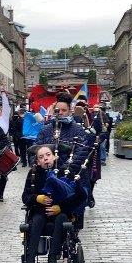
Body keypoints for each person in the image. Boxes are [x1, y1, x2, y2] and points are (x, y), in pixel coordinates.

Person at [21, 145, 86, 263]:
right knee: (37, 220)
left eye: (48, 155)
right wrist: (36, 198)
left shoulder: (65, 172)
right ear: (38, 161)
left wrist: (61, 207)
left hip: (61, 213)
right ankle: (30, 261)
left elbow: (78, 197)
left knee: (61, 219)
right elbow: (25, 197)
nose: (45, 158)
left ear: (54, 156)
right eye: (41, 157)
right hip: (40, 213)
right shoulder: (33, 174)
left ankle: (52, 260)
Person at [35, 92, 95, 229]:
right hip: (49, 180)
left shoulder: (78, 130)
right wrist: (43, 164)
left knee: (72, 220)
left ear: (70, 111)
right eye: (57, 110)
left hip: (72, 180)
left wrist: (62, 169)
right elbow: (36, 151)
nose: (60, 113)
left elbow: (81, 153)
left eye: (63, 110)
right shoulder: (45, 130)